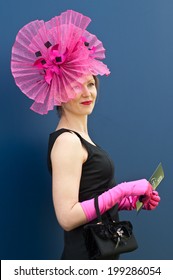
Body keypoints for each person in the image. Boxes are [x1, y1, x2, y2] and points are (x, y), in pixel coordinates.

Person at [11, 10, 160, 260]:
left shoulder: (82, 139)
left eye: (90, 83)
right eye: (74, 85)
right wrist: (122, 190)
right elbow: (68, 217)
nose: (86, 92)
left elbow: (90, 199)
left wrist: (130, 202)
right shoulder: (67, 141)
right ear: (58, 91)